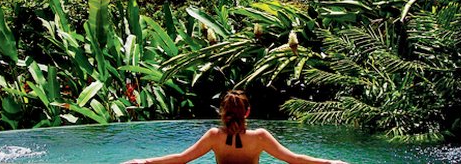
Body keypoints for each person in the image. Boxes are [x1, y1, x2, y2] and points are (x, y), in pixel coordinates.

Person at [123, 90, 348, 164]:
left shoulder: (213, 136)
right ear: (248, 112)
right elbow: (295, 160)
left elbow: (182, 159)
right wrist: (330, 162)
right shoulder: (260, 137)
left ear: (222, 112)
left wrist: (145, 161)